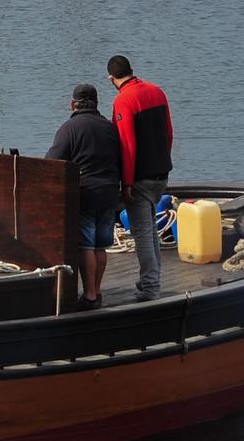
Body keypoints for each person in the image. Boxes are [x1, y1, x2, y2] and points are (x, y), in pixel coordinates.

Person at [46, 83, 122, 310]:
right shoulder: (110, 128)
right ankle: (96, 291)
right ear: (97, 103)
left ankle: (89, 296)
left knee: (86, 246)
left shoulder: (69, 128)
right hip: (109, 193)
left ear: (73, 104)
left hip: (86, 194)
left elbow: (52, 161)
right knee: (101, 246)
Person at [107, 54, 174, 302]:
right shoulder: (157, 91)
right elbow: (168, 133)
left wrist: (126, 183)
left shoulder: (123, 101)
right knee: (150, 231)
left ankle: (150, 286)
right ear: (132, 70)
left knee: (143, 232)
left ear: (111, 79)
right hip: (162, 173)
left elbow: (127, 146)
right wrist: (163, 160)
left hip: (140, 177)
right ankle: (152, 278)